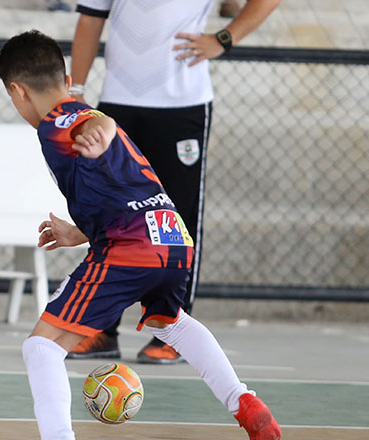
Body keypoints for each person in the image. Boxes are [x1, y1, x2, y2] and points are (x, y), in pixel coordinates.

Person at [0, 30, 281, 440]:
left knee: (41, 346)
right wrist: (80, 231)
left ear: (17, 91)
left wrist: (99, 134)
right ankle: (245, 402)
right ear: (67, 77)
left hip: (129, 246)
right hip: (171, 237)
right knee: (173, 322)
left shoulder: (61, 119)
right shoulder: (72, 114)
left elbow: (98, 123)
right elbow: (121, 189)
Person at [68, 0, 281, 363]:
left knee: (177, 220)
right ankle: (102, 328)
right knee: (110, 215)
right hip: (117, 105)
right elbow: (90, 21)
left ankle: (172, 328)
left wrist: (224, 38)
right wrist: (77, 91)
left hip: (183, 105)